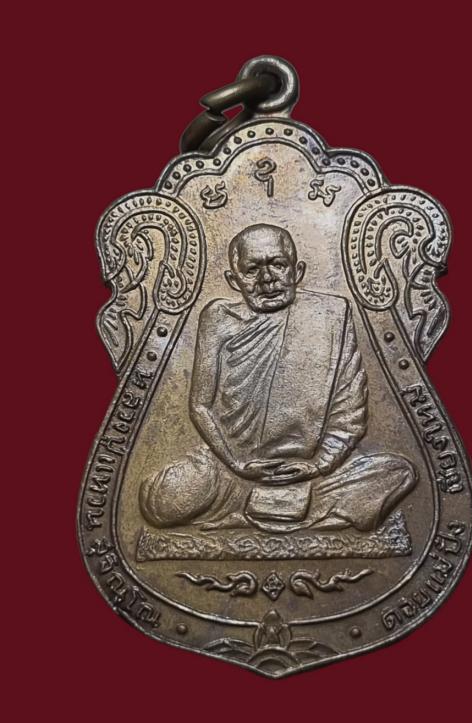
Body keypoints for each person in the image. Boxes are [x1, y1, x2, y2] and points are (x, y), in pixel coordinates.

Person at [140, 224, 416, 533]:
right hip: (230, 468)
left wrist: (319, 465)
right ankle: (290, 511)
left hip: (309, 470)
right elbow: (200, 406)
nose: (267, 279)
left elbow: (350, 410)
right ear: (233, 280)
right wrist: (237, 465)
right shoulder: (219, 318)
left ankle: (275, 508)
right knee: (160, 502)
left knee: (398, 472)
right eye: (252, 270)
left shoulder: (331, 315)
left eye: (278, 264)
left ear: (297, 271)